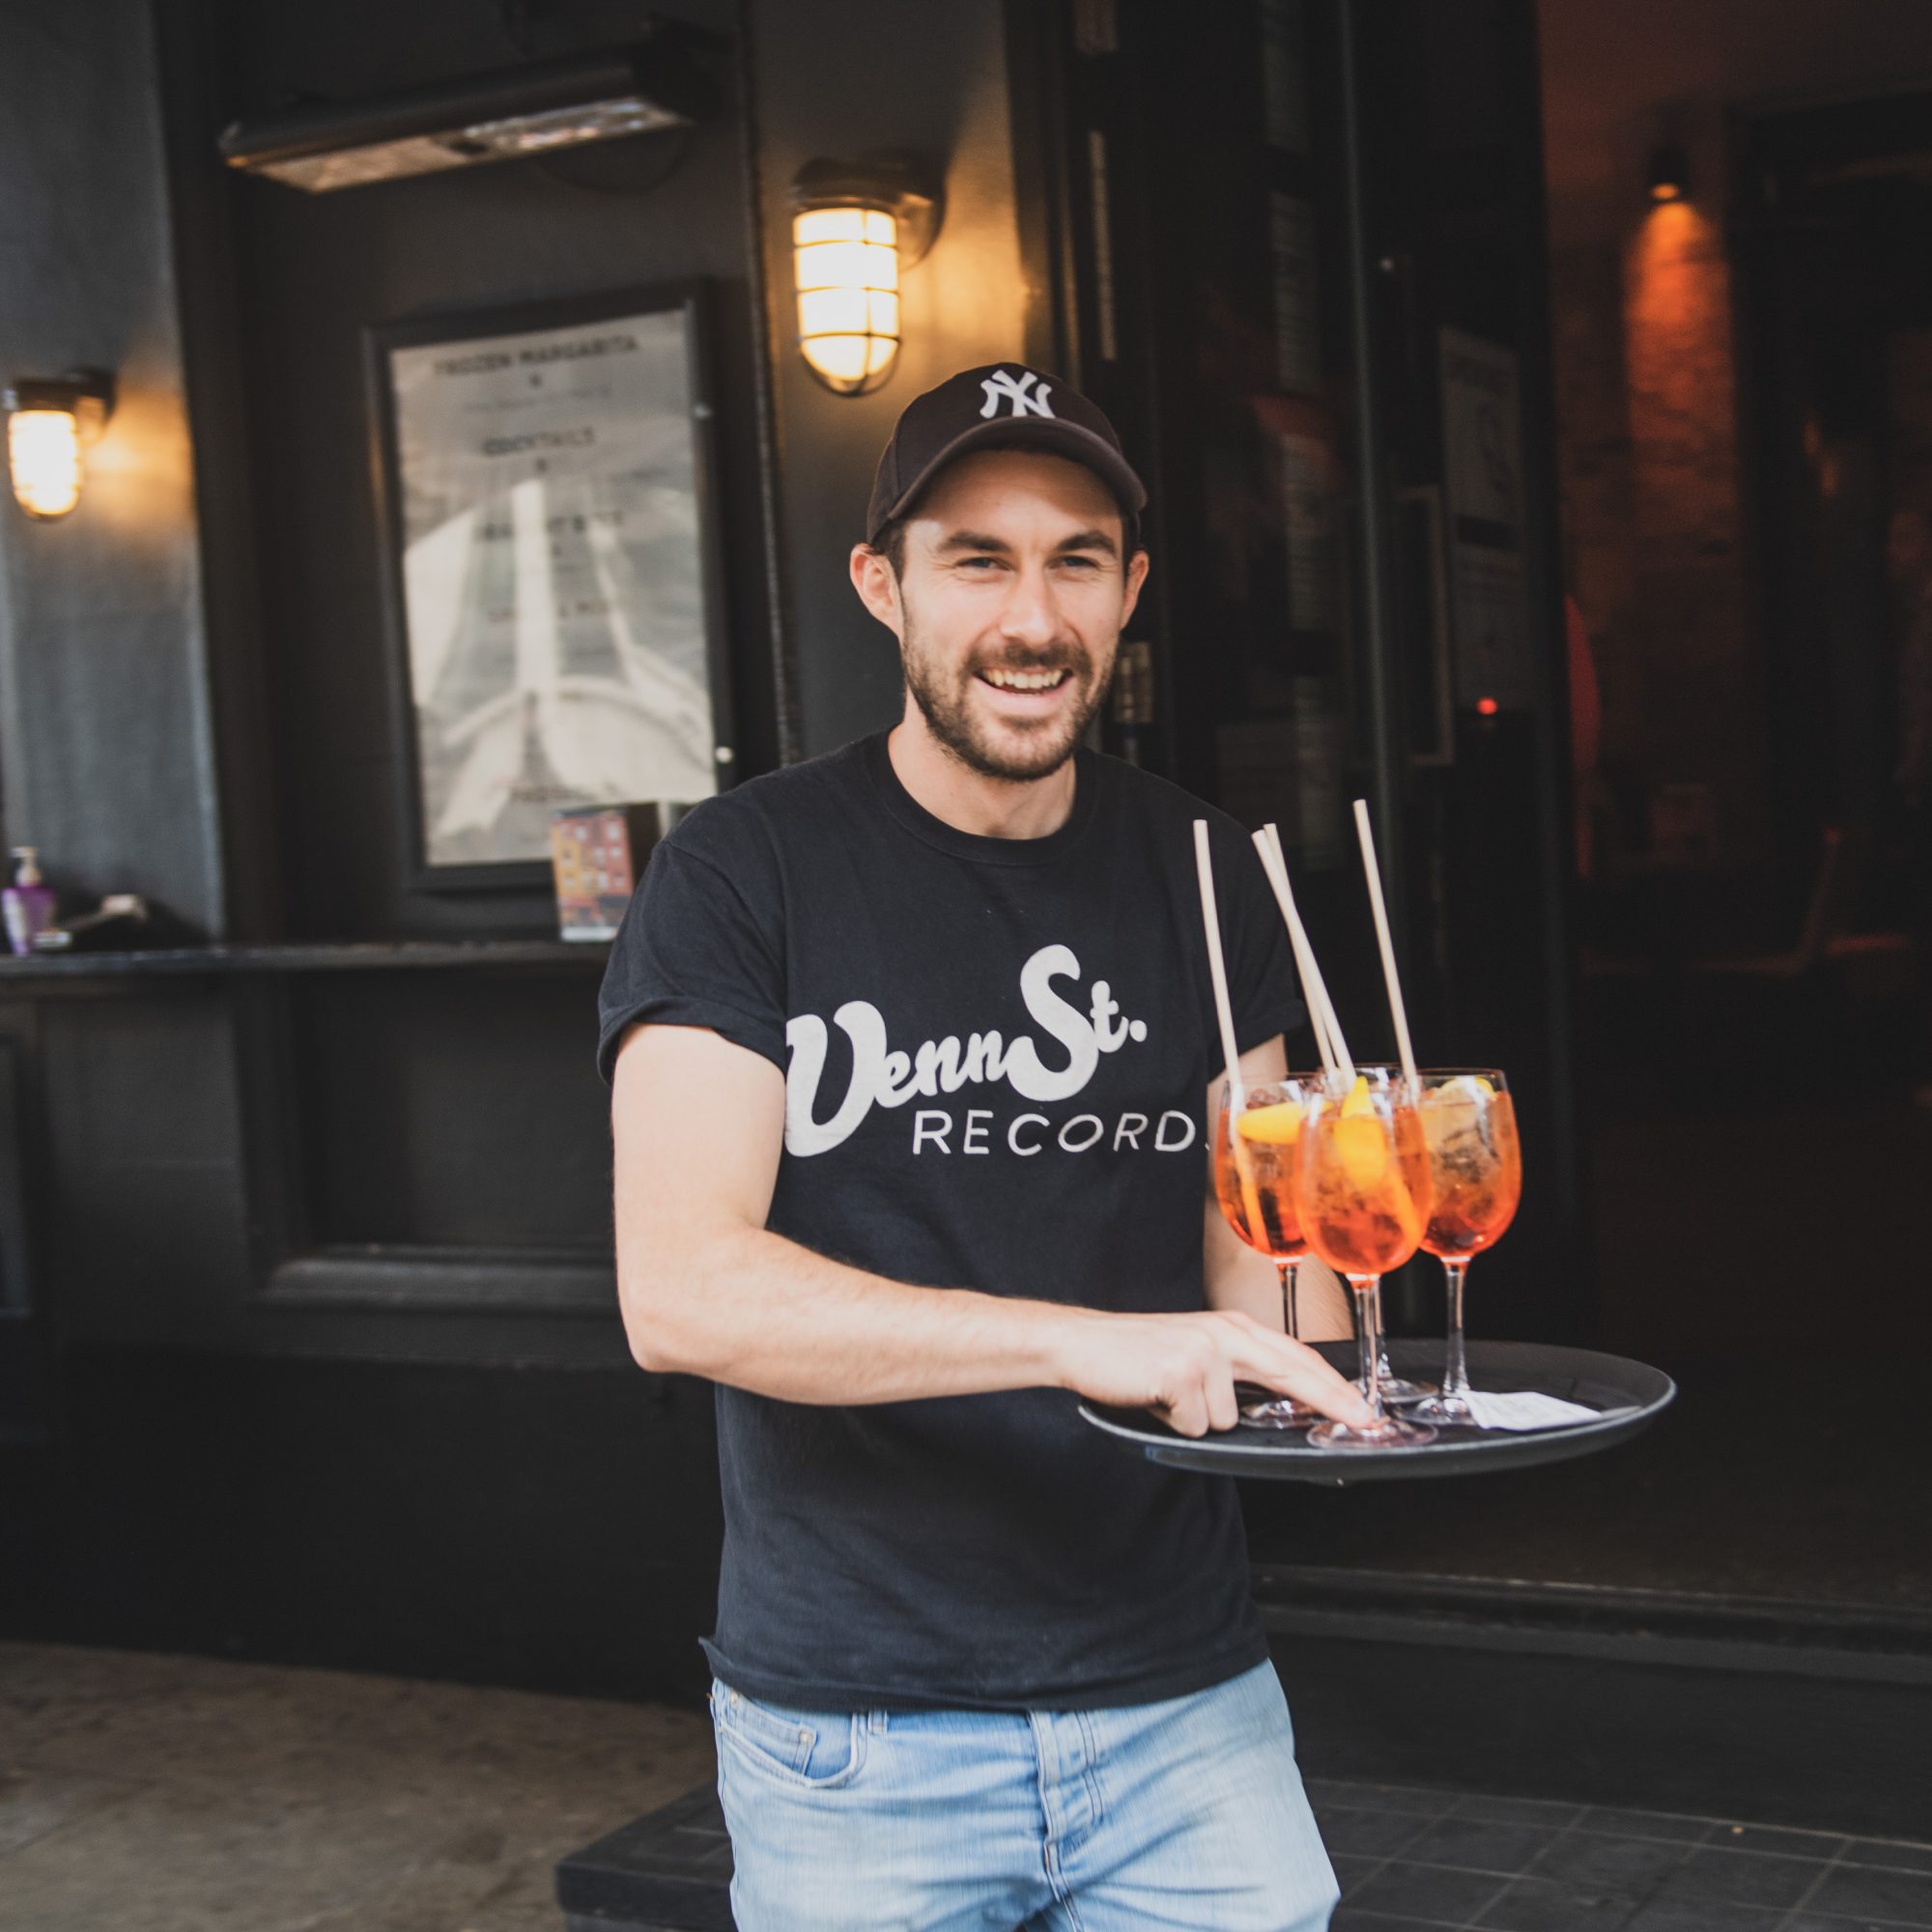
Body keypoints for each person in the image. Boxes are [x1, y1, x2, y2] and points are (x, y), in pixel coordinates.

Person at [597, 364, 1372, 1931]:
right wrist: (1085, 1342)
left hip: (1185, 1701)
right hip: (861, 1725)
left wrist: (1370, 1259)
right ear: (881, 584)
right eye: (977, 561)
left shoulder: (1208, 869)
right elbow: (679, 1294)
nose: (1033, 619)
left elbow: (1272, 1300)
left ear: (1131, 591)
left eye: (1076, 561)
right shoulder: (744, 872)